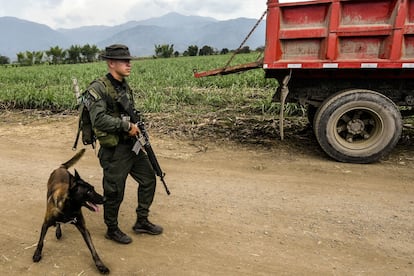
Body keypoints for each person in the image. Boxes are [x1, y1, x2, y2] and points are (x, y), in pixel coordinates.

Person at [84, 44, 163, 244]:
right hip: (114, 150)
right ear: (111, 63)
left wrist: (138, 132)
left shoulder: (124, 86)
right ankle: (112, 229)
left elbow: (130, 112)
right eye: (124, 61)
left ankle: (142, 221)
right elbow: (98, 120)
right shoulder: (98, 88)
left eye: (129, 60)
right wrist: (126, 126)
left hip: (131, 146)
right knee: (114, 191)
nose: (129, 64)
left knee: (149, 179)